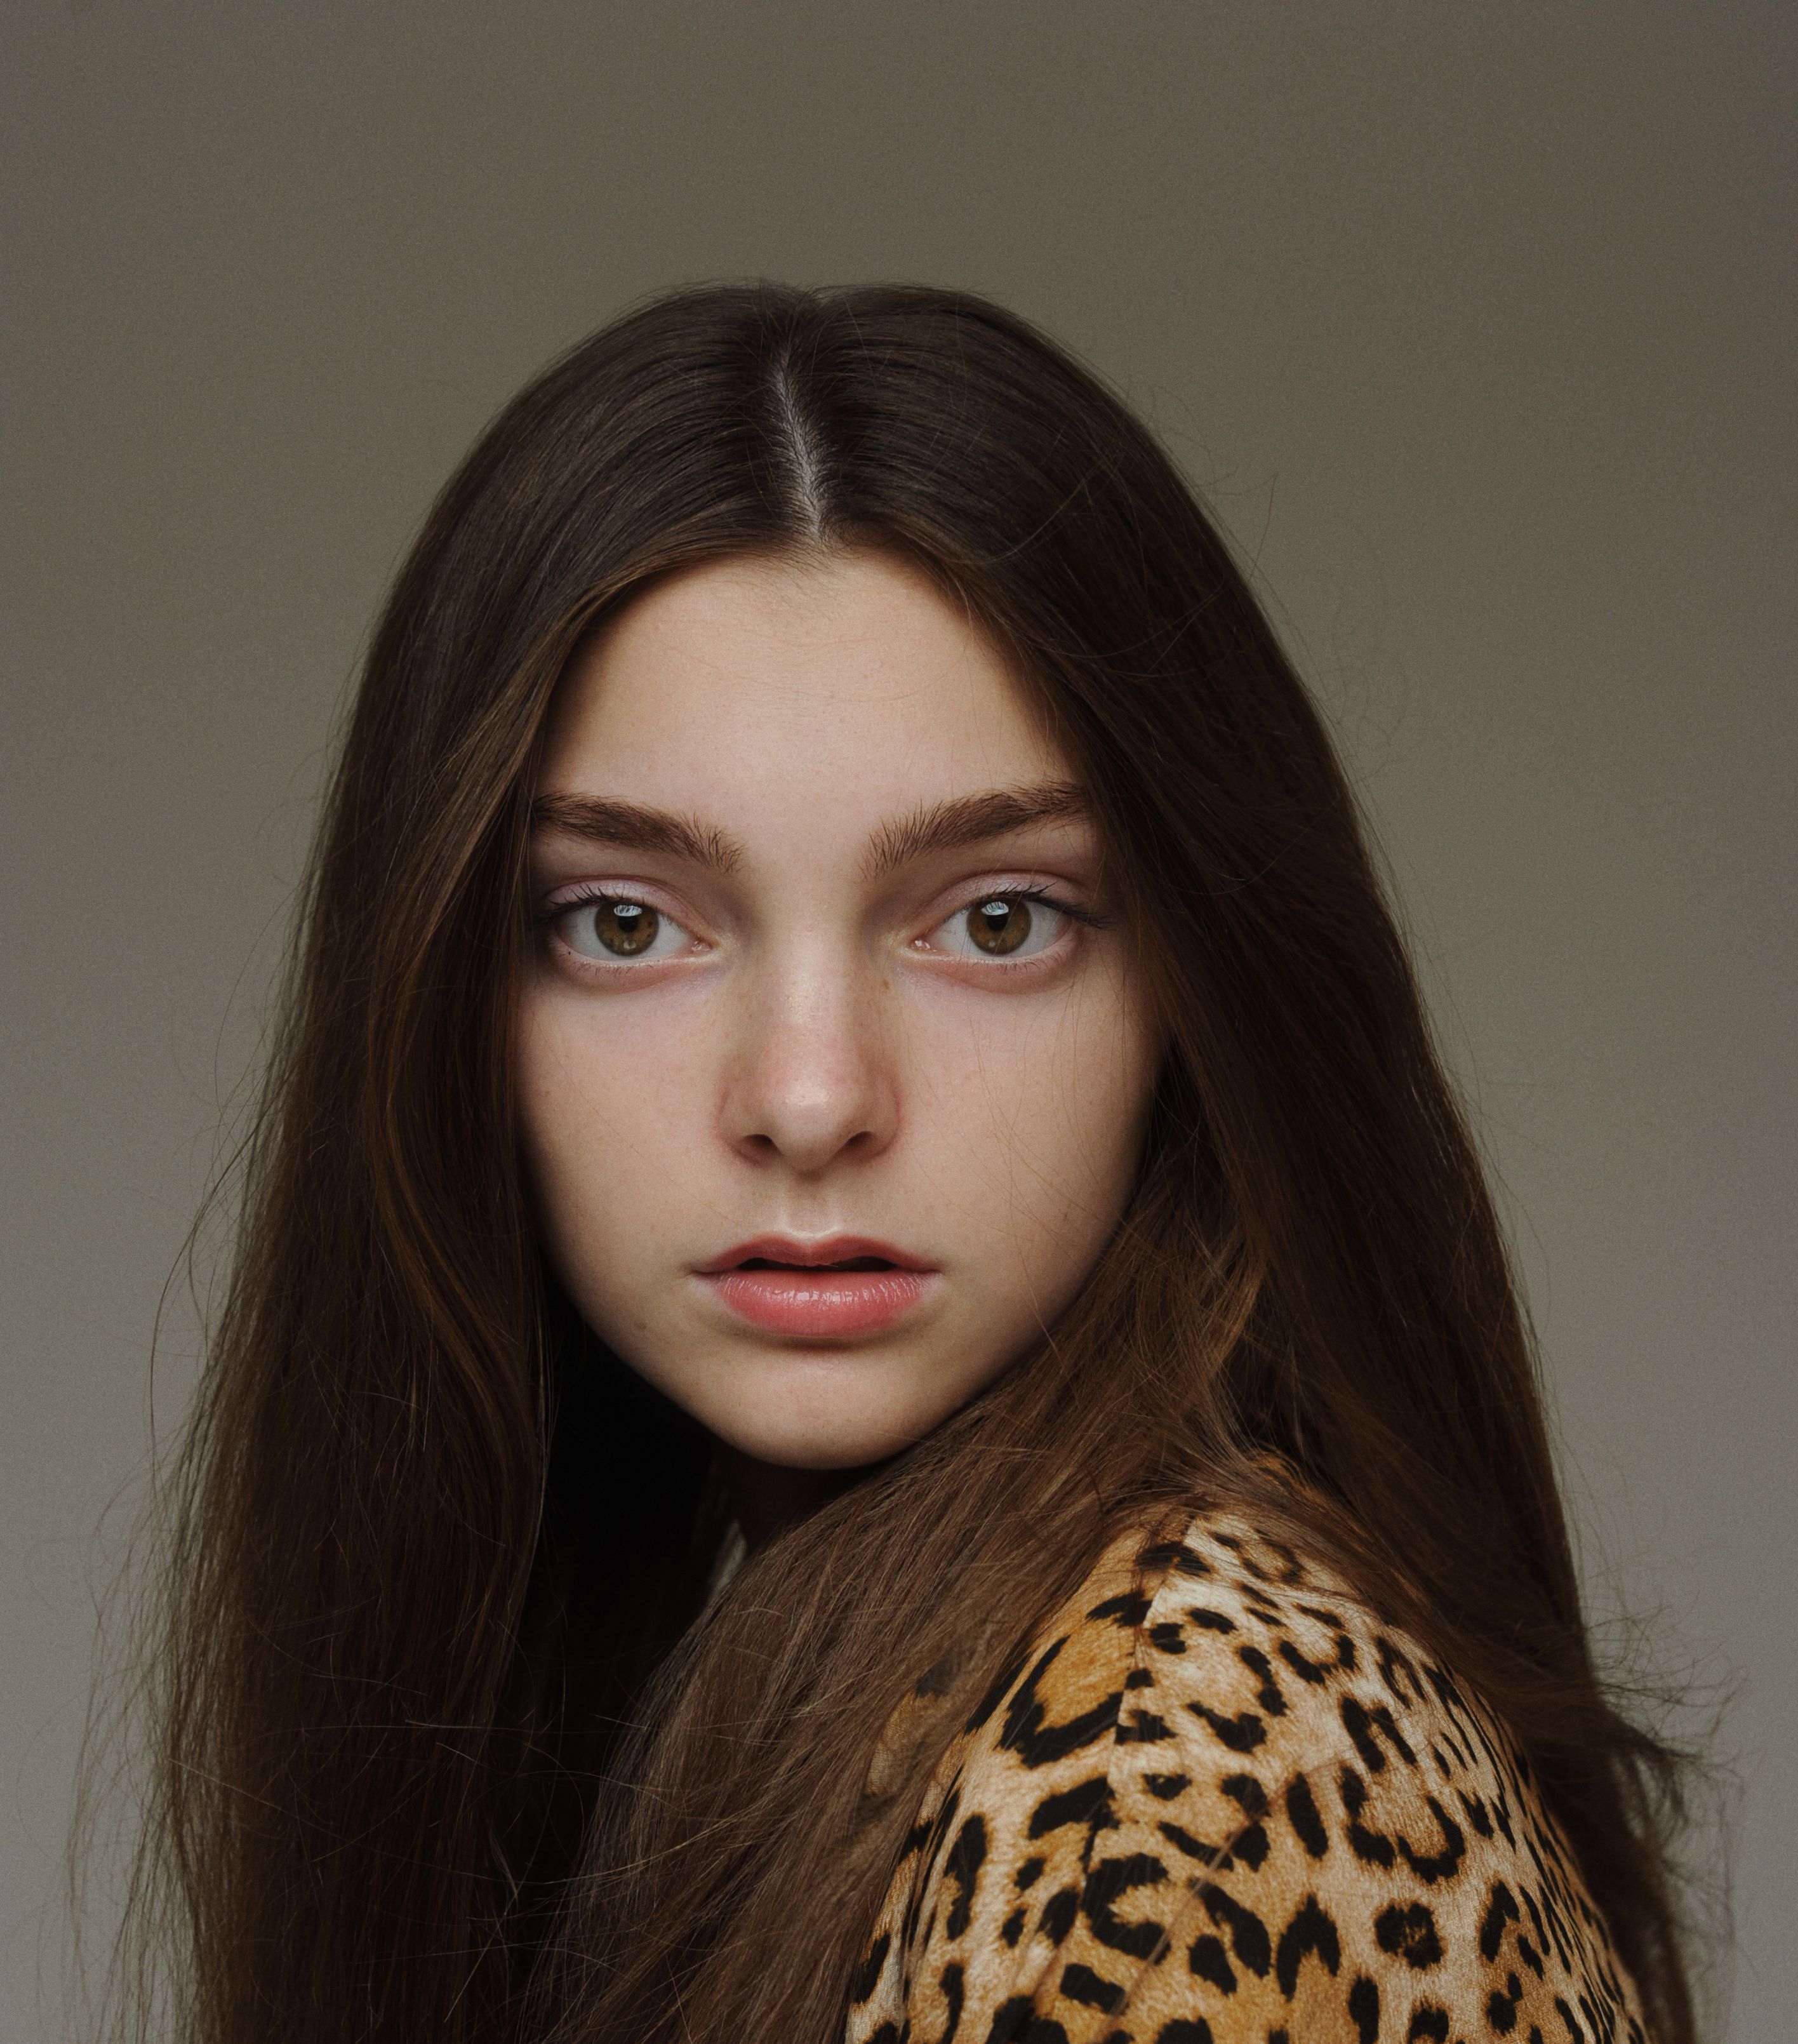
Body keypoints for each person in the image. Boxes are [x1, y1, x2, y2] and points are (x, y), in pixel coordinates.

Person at [121, 284, 1695, 2044]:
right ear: (443, 1006)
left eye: (998, 919)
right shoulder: (863, 1714)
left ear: (1193, 990)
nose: (809, 1099)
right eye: (627, 922)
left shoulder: (1159, 1791)